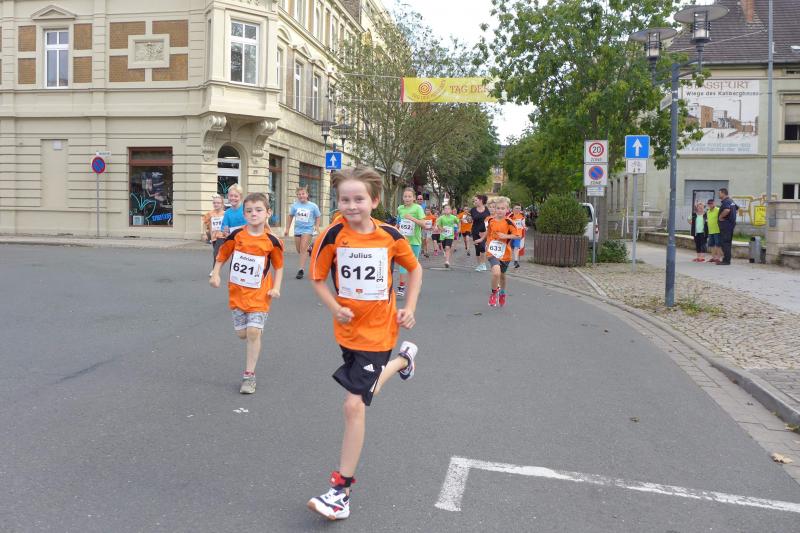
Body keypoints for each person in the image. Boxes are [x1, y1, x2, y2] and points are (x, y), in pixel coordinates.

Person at [307, 166, 422, 521]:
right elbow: (317, 279)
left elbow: (415, 269)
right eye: (344, 199)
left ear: (374, 200)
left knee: (353, 405)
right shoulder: (331, 235)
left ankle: (340, 492)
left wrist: (409, 307)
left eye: (359, 199)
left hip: (379, 332)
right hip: (347, 332)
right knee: (368, 387)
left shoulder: (390, 235)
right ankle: (404, 361)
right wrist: (334, 307)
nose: (351, 205)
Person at [209, 192, 284, 394]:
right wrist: (215, 273)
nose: (254, 214)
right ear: (244, 214)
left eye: (259, 210)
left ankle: (249, 376)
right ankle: (254, 330)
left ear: (268, 212)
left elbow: (279, 266)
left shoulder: (272, 240)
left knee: (252, 332)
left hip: (261, 295)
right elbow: (222, 255)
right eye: (249, 211)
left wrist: (276, 287)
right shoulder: (236, 236)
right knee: (242, 334)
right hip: (237, 293)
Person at [484, 197, 521, 307]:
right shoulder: (490, 220)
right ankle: (493, 293)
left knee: (502, 276)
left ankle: (502, 293)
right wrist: (487, 244)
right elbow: (489, 233)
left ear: (507, 210)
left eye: (502, 208)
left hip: (505, 253)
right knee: (496, 273)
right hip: (492, 252)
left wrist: (505, 236)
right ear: (495, 209)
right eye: (498, 208)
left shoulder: (509, 222)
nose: (500, 210)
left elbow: (517, 236)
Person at [285, 186, 321, 280]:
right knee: (299, 250)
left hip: (308, 230)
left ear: (307, 194)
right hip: (298, 230)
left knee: (302, 248)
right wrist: (287, 229)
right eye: (299, 194)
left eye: (303, 194)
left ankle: (301, 270)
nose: (301, 196)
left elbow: (318, 216)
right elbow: (290, 216)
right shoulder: (295, 206)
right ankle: (309, 249)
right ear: (297, 196)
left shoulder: (313, 206)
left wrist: (316, 226)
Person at [396, 187, 426, 297]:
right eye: (405, 196)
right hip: (403, 240)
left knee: (413, 265)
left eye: (409, 196)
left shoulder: (418, 208)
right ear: (402, 198)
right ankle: (401, 286)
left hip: (415, 241)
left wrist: (412, 218)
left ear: (414, 198)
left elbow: (424, 224)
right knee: (402, 263)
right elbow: (399, 223)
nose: (407, 198)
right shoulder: (400, 208)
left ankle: (416, 282)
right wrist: (395, 228)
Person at [202, 195, 226, 276]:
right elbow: (205, 223)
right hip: (213, 237)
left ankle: (214, 270)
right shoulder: (210, 214)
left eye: (218, 203)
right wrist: (205, 234)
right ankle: (217, 268)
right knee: (217, 253)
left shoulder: (225, 214)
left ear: (222, 204)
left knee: (216, 253)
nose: (216, 204)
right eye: (214, 203)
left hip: (222, 236)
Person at [470, 195, 491, 271]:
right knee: (477, 248)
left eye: (476, 200)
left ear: (481, 200)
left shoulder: (487, 209)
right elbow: (470, 219)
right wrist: (467, 219)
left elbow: (490, 220)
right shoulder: (473, 210)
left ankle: (483, 264)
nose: (474, 202)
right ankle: (479, 265)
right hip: (475, 231)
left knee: (482, 247)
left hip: (484, 231)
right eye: (474, 200)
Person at [718, 187, 738, 266]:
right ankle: (727, 259)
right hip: (730, 225)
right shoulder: (731, 201)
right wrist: (732, 217)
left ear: (723, 193)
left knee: (725, 243)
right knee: (727, 243)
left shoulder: (726, 201)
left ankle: (726, 260)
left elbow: (727, 210)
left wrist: (721, 217)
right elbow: (736, 209)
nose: (718, 195)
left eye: (719, 193)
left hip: (726, 226)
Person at [705, 198, 722, 264]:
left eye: (711, 203)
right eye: (709, 204)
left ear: (714, 203)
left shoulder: (718, 210)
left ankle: (718, 258)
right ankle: (714, 258)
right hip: (710, 230)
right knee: (711, 245)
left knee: (718, 245)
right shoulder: (708, 211)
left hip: (717, 230)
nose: (710, 205)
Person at [509, 204, 526, 268]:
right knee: (510, 248)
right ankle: (506, 259)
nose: (518, 210)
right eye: (516, 208)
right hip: (510, 235)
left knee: (516, 247)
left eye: (519, 208)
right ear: (513, 209)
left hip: (518, 235)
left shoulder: (522, 216)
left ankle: (516, 261)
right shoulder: (510, 216)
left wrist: (525, 227)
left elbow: (523, 225)